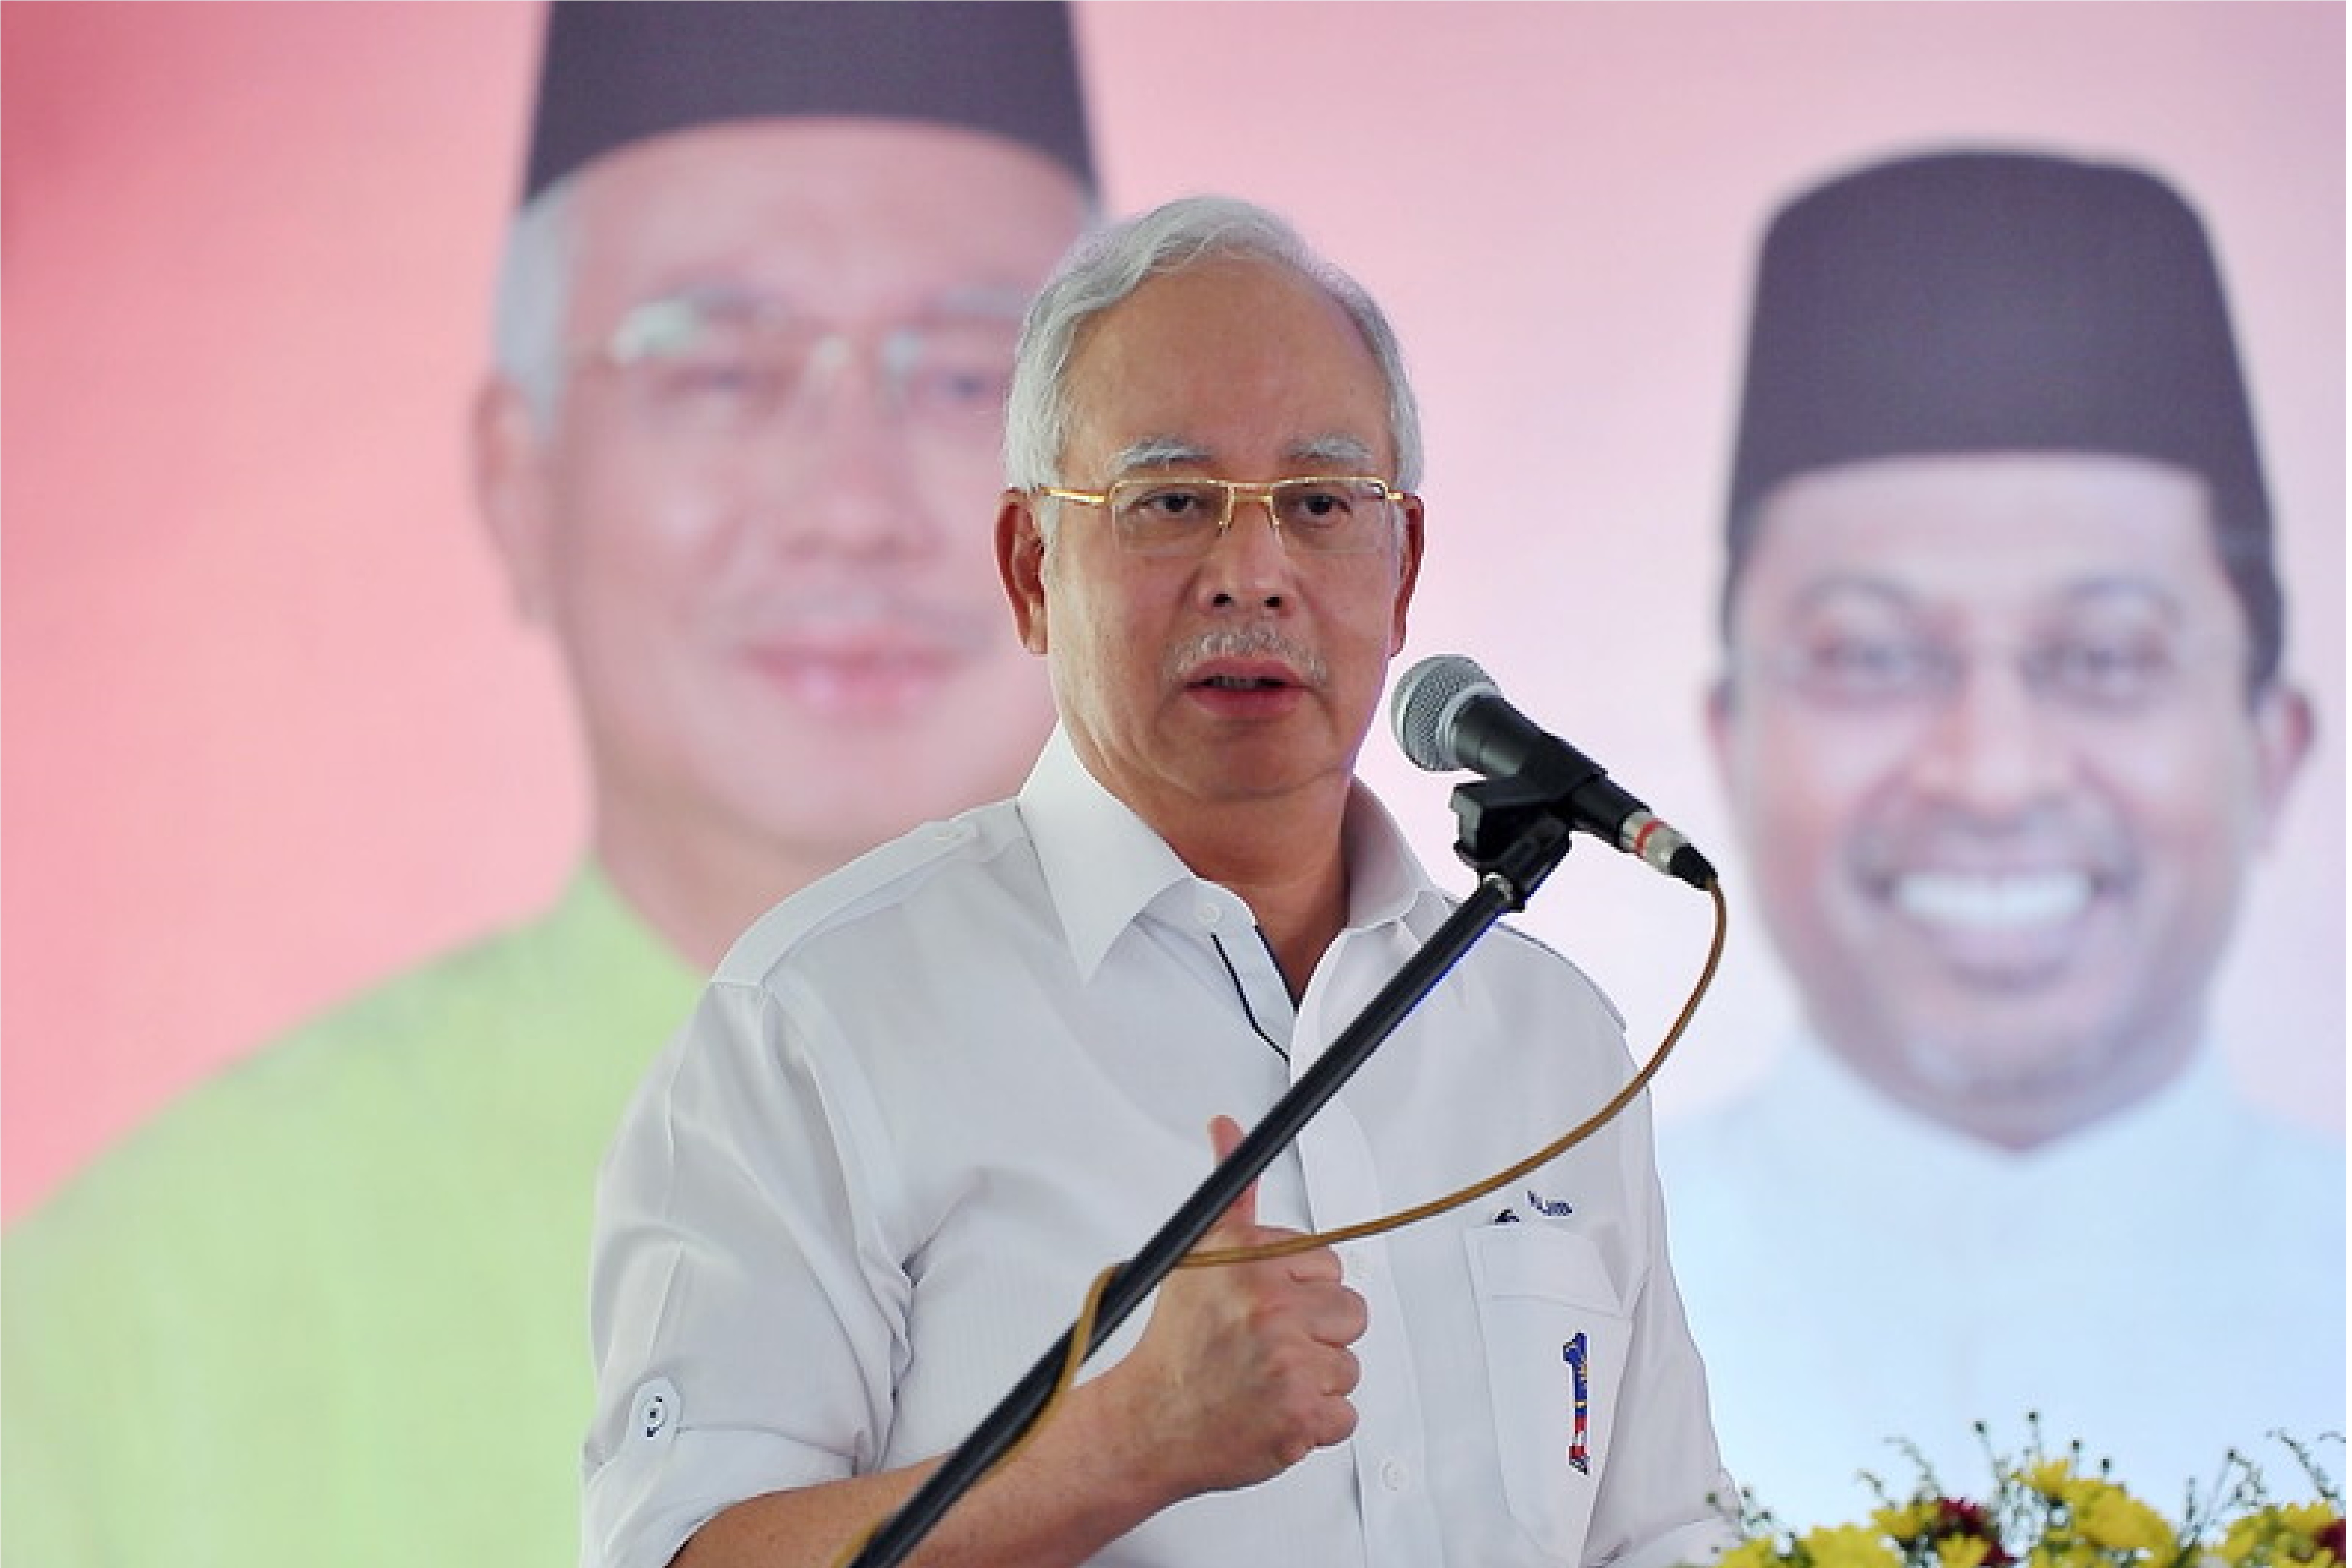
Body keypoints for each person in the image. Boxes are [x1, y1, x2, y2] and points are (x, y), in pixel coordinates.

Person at [0, 5, 1094, 1565]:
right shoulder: (119, 1324)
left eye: (976, 374)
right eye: (720, 370)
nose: (851, 506)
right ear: (522, 483)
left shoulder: (1357, 1153)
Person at [581, 194, 1743, 1568]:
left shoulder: (1545, 1039)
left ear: (1403, 564)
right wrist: (1116, 1445)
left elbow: (1667, 1535)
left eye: (1319, 504)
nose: (1251, 574)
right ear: (1030, 569)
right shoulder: (825, 1018)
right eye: (1172, 501)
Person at [1659, 149, 2343, 1525]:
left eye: (2103, 655)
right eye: (1869, 654)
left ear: (2272, 749)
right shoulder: (1555, 1290)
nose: (1991, 773)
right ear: (1730, 743)